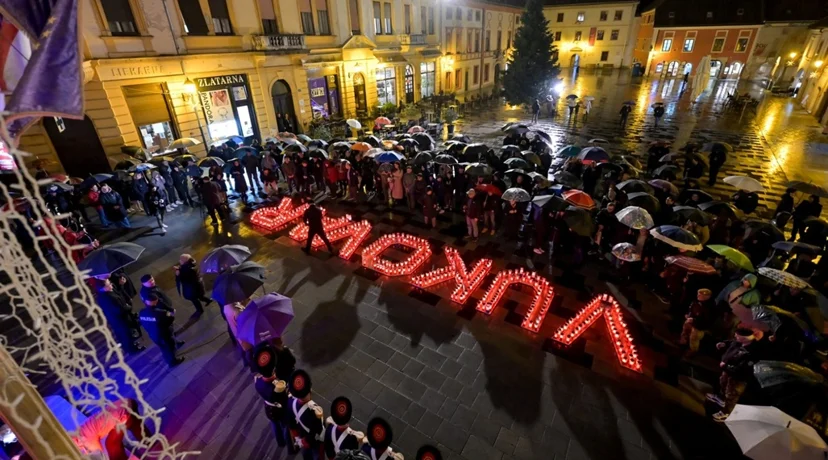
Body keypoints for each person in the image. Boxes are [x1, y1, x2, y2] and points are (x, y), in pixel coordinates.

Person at [707, 328, 757, 421]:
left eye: (737, 336)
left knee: (732, 395)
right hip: (727, 372)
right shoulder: (739, 341)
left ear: (745, 338)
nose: (735, 336)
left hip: (738, 378)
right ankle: (721, 399)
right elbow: (732, 342)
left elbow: (743, 369)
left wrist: (726, 366)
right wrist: (724, 343)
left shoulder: (752, 352)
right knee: (723, 383)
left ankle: (726, 413)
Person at [71, 398, 144, 459]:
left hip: (124, 412)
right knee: (116, 437)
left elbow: (101, 457)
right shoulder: (79, 431)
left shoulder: (88, 442)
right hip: (125, 402)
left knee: (111, 444)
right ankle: (150, 444)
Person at [251, 343, 291, 448]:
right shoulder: (278, 386)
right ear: (273, 368)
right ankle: (290, 445)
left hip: (268, 408)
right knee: (286, 426)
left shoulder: (257, 380)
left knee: (274, 424)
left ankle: (280, 442)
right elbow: (285, 398)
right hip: (281, 410)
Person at [96, 278, 144, 354]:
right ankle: (133, 350)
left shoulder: (104, 294)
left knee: (126, 335)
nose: (111, 284)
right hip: (120, 321)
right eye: (109, 284)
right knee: (126, 336)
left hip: (117, 320)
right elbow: (119, 310)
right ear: (104, 288)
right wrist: (128, 307)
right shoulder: (108, 298)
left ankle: (131, 345)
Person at [287, 369, 325, 460]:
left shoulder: (290, 402)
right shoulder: (314, 411)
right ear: (310, 389)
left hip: (302, 435)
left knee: (306, 455)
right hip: (313, 441)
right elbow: (318, 430)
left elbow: (291, 423)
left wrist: (299, 438)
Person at [139, 293, 185, 367]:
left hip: (153, 335)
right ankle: (173, 361)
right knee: (170, 347)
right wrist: (171, 315)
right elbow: (170, 320)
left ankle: (167, 358)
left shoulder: (142, 312)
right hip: (165, 335)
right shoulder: (161, 313)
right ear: (155, 301)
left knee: (163, 347)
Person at [680, 288, 715, 356]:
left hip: (699, 327)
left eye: (700, 295)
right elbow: (691, 309)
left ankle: (693, 350)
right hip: (690, 322)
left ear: (707, 297)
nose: (698, 296)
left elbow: (707, 320)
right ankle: (683, 342)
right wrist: (688, 315)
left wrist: (694, 320)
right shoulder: (695, 302)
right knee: (685, 330)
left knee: (694, 338)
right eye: (698, 294)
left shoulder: (710, 308)